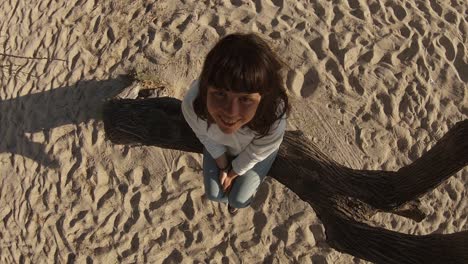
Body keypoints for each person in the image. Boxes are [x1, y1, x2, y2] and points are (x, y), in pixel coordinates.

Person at [181, 33, 290, 215]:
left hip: (254, 151)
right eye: (220, 94)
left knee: (239, 200)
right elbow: (205, 137)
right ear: (206, 87)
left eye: (245, 99)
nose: (231, 112)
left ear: (263, 96)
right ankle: (230, 199)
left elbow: (258, 151)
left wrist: (233, 172)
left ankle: (235, 204)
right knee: (215, 195)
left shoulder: (273, 118)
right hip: (221, 148)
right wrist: (224, 166)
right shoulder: (193, 104)